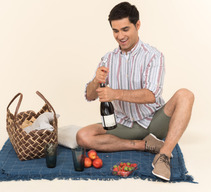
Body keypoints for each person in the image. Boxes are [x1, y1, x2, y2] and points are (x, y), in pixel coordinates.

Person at [76, 1, 194, 181]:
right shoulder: (107, 59)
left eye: (125, 29)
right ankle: (143, 145)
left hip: (154, 121)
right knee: (82, 136)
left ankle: (163, 154)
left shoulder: (153, 55)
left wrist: (115, 93)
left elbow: (151, 95)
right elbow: (89, 96)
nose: (120, 36)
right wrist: (95, 81)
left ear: (137, 25)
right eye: (115, 31)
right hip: (124, 124)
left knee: (186, 94)